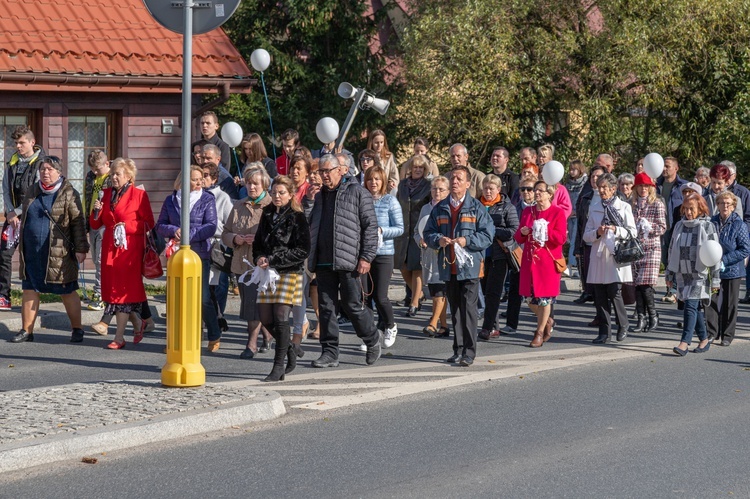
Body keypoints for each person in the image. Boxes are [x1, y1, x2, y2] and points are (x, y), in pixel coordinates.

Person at [308, 154, 381, 368]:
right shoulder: (318, 195)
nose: (324, 176)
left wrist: (366, 257)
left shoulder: (358, 192)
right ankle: (329, 352)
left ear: (340, 170)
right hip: (323, 259)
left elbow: (370, 227)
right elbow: (307, 222)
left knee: (352, 306)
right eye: (321, 172)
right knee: (327, 307)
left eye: (327, 171)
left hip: (349, 260)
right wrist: (308, 202)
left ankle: (371, 338)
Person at [10, 156, 88, 343]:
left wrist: (81, 248)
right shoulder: (32, 190)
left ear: (59, 172)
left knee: (66, 290)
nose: (45, 173)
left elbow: (78, 222)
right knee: (30, 289)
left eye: (50, 169)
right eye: (43, 169)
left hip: (58, 252)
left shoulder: (69, 193)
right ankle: (26, 331)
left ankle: (77, 329)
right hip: (32, 250)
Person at [423, 165, 494, 366]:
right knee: (454, 310)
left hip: (469, 267)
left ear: (468, 184)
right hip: (448, 265)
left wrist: (467, 240)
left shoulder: (476, 207)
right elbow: (428, 232)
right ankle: (458, 349)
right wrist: (439, 239)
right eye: (452, 178)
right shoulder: (441, 207)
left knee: (469, 309)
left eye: (459, 179)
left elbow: (488, 234)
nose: (455, 182)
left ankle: (469, 352)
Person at [90, 158, 154, 349]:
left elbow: (148, 223)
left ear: (128, 176)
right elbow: (95, 224)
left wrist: (126, 227)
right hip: (110, 248)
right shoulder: (106, 194)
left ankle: (119, 337)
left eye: (117, 174)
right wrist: (95, 212)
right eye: (112, 174)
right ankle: (138, 323)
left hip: (129, 250)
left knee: (123, 293)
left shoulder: (139, 195)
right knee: (112, 292)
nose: (113, 177)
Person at [252, 176, 311, 381]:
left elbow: (303, 250)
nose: (277, 196)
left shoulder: (297, 216)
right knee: (265, 317)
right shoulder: (267, 213)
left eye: (281, 193)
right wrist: (259, 257)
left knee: (281, 316)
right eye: (274, 192)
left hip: (289, 271)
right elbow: (258, 242)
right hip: (268, 273)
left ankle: (278, 367)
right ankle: (291, 349)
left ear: (290, 194)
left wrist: (274, 259)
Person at [156, 165, 219, 351]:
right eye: (194, 179)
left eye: (201, 179)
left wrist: (188, 235)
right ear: (183, 180)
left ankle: (214, 334)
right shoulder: (171, 199)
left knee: (203, 297)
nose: (199, 182)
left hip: (199, 254)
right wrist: (173, 231)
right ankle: (177, 339)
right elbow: (160, 225)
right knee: (176, 299)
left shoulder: (207, 199)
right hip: (176, 256)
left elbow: (211, 226)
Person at [222, 164, 273, 357]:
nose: (251, 187)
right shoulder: (238, 206)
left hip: (263, 265)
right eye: (249, 183)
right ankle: (267, 335)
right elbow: (226, 233)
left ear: (265, 185)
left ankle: (251, 344)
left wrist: (259, 240)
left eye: (256, 184)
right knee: (250, 303)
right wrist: (236, 238)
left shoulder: (271, 206)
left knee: (256, 304)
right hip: (241, 263)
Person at [584, 173, 637, 343]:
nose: (602, 190)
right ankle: (604, 332)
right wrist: (597, 233)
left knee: (615, 293)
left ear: (614, 189)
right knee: (599, 295)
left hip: (615, 254)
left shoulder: (624, 207)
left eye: (605, 187)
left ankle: (623, 324)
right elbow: (586, 235)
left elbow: (632, 232)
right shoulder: (594, 207)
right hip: (599, 255)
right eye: (600, 187)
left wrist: (616, 230)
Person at [666, 193, 720, 355]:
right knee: (694, 309)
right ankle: (704, 338)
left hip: (700, 274)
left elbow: (715, 253)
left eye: (692, 209)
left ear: (700, 209)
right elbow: (671, 250)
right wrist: (669, 275)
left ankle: (684, 342)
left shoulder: (707, 226)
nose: (689, 212)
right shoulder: (679, 225)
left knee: (690, 306)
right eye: (686, 209)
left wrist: (716, 279)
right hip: (683, 274)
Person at [514, 180, 566, 348]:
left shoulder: (557, 213)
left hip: (547, 262)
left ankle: (539, 331)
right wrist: (523, 233)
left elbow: (561, 239)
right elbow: (518, 236)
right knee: (528, 298)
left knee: (544, 299)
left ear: (549, 194)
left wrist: (545, 229)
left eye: (540, 191)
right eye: (535, 190)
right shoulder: (528, 211)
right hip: (529, 261)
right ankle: (548, 320)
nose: (536, 193)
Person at [0, 125, 46, 311]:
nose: (18, 146)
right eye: (16, 143)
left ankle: (33, 295)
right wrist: (10, 212)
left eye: (22, 143)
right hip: (12, 218)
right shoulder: (12, 162)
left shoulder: (41, 163)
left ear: (32, 142)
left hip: (32, 217)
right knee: (4, 255)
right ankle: (4, 296)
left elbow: (36, 192)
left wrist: (18, 212)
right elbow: (5, 188)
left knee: (31, 257)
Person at [364, 166, 403, 347]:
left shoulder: (390, 201)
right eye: (370, 179)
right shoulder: (362, 200)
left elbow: (399, 228)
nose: (374, 183)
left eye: (377, 179)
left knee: (380, 296)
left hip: (384, 254)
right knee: (365, 297)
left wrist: (381, 231)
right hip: (365, 254)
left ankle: (390, 325)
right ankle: (370, 335)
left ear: (383, 181)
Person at [706, 191, 749, 346]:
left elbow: (745, 249)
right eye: (722, 203)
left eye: (728, 203)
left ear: (733, 206)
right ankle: (712, 332)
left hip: (732, 270)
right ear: (717, 205)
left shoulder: (739, 225)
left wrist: (724, 260)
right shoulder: (712, 222)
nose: (725, 206)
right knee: (712, 301)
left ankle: (727, 335)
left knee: (730, 304)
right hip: (713, 269)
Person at [478, 174, 519, 340]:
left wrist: (492, 230)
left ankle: (487, 328)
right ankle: (493, 325)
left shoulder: (507, 207)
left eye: (491, 188)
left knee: (493, 292)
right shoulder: (476, 205)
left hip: (499, 255)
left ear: (498, 190)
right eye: (485, 188)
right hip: (480, 255)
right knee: (484, 291)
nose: (488, 191)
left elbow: (513, 230)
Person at [394, 154, 432, 317]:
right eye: (415, 167)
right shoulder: (402, 185)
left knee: (416, 268)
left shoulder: (428, 186)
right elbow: (397, 204)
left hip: (418, 230)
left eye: (421, 167)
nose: (417, 170)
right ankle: (420, 293)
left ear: (425, 170)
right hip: (403, 231)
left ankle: (414, 302)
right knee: (403, 266)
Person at [629, 172, 667, 332]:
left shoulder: (657, 203)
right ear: (636, 188)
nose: (643, 189)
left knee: (646, 286)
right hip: (636, 249)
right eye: (640, 186)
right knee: (637, 285)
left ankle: (653, 315)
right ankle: (641, 318)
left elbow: (663, 227)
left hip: (651, 248)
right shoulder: (631, 205)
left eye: (646, 186)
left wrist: (649, 227)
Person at [202, 161, 234, 342]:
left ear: (214, 178)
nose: (203, 179)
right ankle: (210, 320)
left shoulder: (222, 197)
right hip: (201, 244)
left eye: (207, 175)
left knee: (218, 286)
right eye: (202, 175)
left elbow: (229, 223)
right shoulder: (197, 196)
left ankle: (217, 318)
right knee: (206, 287)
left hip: (217, 245)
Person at [502, 176, 538, 334]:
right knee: (515, 289)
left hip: (537, 255)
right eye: (522, 189)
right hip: (518, 253)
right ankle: (511, 324)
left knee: (539, 291)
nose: (526, 192)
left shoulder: (541, 209)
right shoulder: (514, 208)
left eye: (530, 189)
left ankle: (546, 321)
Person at [417, 176, 450, 337]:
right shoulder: (425, 208)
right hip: (428, 256)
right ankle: (444, 325)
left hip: (443, 255)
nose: (437, 192)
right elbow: (418, 231)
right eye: (434, 189)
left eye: (441, 189)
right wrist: (421, 241)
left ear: (448, 191)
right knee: (435, 290)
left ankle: (433, 322)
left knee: (439, 290)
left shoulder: (449, 208)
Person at [83, 149, 111, 311]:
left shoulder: (112, 177)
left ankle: (100, 294)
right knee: (95, 260)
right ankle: (103, 290)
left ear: (107, 164)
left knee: (101, 260)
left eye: (98, 168)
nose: (95, 171)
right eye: (92, 168)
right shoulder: (90, 176)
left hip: (105, 224)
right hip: (92, 221)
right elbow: (87, 198)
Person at [573, 166, 605, 305]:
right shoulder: (586, 197)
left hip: (604, 244)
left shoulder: (612, 199)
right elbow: (581, 223)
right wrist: (577, 247)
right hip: (588, 241)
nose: (594, 179)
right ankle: (589, 295)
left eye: (598, 176)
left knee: (602, 282)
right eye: (592, 176)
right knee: (588, 274)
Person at [565, 160, 588, 270]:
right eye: (570, 169)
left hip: (579, 215)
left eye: (574, 169)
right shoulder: (568, 184)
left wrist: (576, 210)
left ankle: (572, 265)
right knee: (569, 240)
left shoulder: (585, 183)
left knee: (575, 240)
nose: (571, 172)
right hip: (569, 215)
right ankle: (572, 264)